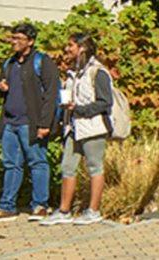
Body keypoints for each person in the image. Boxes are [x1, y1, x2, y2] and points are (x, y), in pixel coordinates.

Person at [0, 23, 59, 223]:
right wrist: (0, 87)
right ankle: (7, 207)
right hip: (9, 122)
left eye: (19, 38)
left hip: (30, 123)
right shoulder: (9, 63)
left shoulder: (42, 62)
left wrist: (45, 124)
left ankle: (40, 205)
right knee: (11, 164)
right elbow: (1, 89)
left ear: (30, 42)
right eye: (12, 38)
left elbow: (51, 95)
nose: (14, 42)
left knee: (37, 162)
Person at [43, 34, 114, 226]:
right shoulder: (73, 73)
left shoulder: (97, 72)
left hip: (93, 128)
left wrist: (79, 109)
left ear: (82, 48)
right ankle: (64, 211)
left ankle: (93, 211)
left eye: (70, 45)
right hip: (73, 128)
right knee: (67, 167)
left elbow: (106, 102)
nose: (67, 49)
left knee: (94, 167)